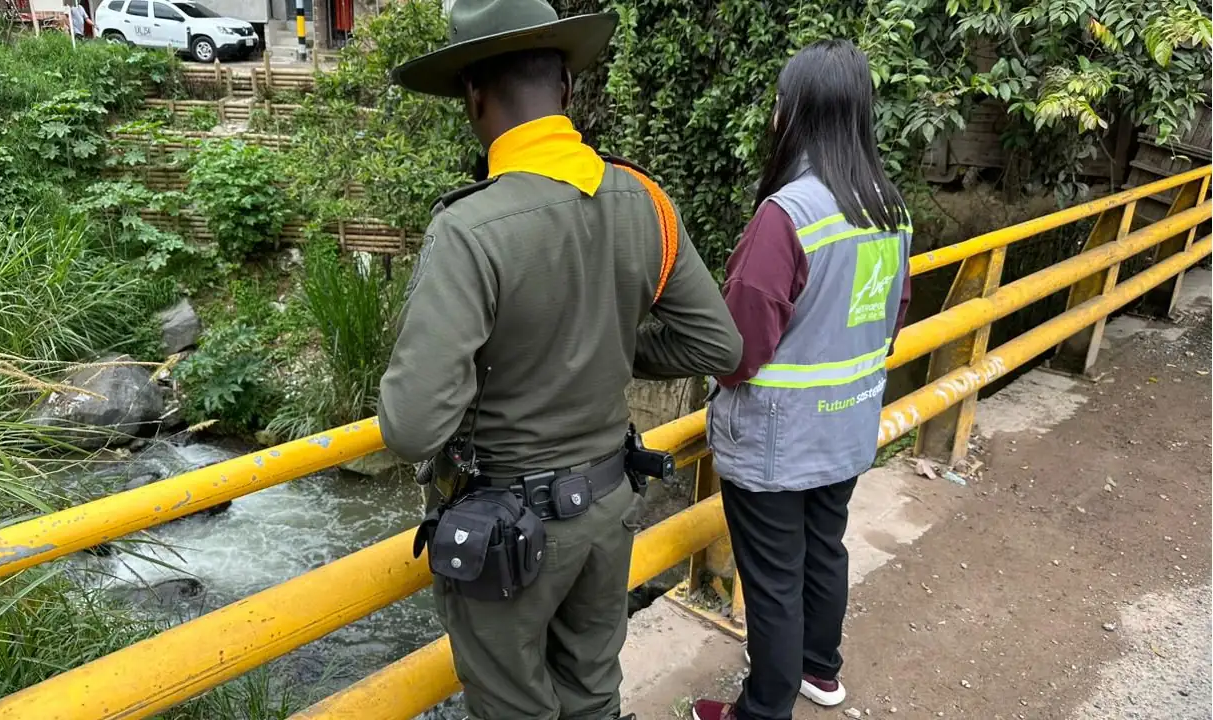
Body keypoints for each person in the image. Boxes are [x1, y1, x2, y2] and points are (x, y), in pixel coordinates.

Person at [377, 2, 743, 719]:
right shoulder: (644, 201)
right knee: (592, 691)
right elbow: (718, 346)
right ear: (568, 93)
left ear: (474, 99)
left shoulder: (469, 229)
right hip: (608, 503)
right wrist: (607, 343)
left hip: (506, 533)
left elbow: (412, 427)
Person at [692, 39, 913, 720]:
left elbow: (739, 345)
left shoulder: (787, 216)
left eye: (779, 102)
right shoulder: (889, 208)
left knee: (775, 582)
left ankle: (763, 710)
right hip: (846, 426)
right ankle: (822, 671)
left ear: (797, 113)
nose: (774, 114)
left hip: (776, 441)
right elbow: (892, 315)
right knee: (825, 551)